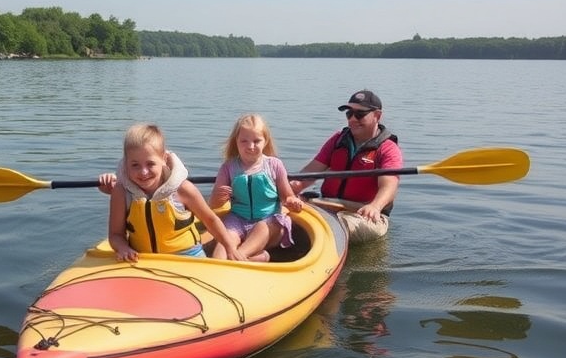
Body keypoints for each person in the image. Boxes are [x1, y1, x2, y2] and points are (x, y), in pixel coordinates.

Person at [104, 123, 245, 263]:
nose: (143, 172)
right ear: (126, 163)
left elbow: (211, 220)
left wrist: (229, 247)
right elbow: (116, 234)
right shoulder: (121, 192)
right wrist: (123, 248)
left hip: (188, 256)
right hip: (142, 258)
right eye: (135, 165)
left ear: (164, 159)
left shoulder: (184, 189)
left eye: (150, 164)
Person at [290, 90, 402, 242]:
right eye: (349, 114)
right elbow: (308, 174)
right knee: (286, 214)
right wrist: (287, 192)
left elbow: (389, 186)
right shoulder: (337, 140)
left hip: (365, 214)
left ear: (377, 115)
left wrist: (375, 206)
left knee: (334, 227)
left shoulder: (388, 149)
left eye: (360, 114)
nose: (353, 119)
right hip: (327, 205)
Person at [209, 114, 302, 261]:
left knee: (262, 227)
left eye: (256, 141)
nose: (250, 146)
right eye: (244, 141)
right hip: (237, 219)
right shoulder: (228, 168)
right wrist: (217, 197)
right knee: (224, 242)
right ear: (236, 142)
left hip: (268, 221)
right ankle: (231, 262)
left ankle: (239, 258)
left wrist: (292, 201)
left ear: (265, 141)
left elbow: (287, 196)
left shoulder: (274, 165)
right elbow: (214, 204)